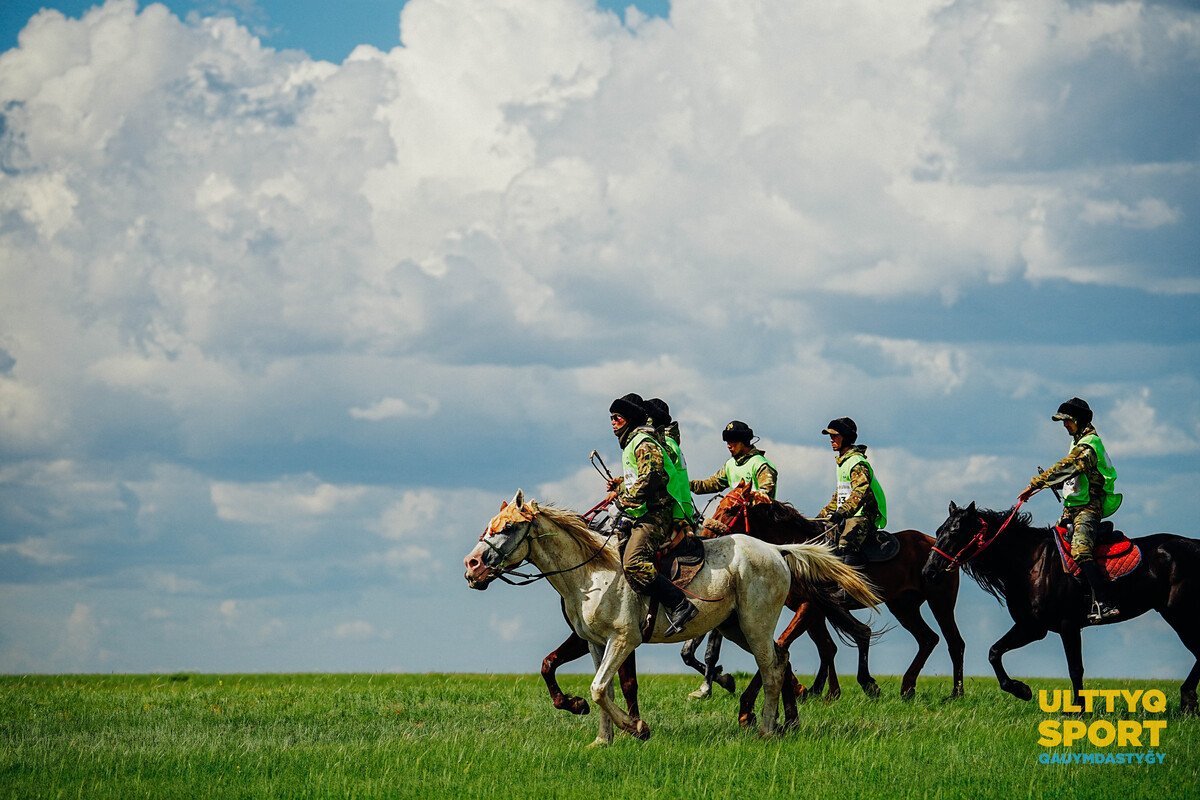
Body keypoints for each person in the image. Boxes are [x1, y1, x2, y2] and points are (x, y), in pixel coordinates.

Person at [1018, 397, 1122, 623]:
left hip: (1088, 509)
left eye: (1066, 421)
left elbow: (1069, 466)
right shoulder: (1077, 442)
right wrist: (1055, 484)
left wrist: (1036, 483)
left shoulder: (1089, 445)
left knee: (1080, 552)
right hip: (1071, 510)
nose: (1064, 425)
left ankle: (1106, 602)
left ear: (1078, 420)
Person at [608, 393, 699, 636]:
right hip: (642, 511)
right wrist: (620, 489)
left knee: (634, 562)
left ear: (628, 419)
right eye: (611, 418)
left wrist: (624, 500)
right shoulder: (633, 443)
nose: (612, 422)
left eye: (617, 417)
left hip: (656, 514)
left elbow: (652, 478)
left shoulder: (642, 442)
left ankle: (680, 604)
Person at [817, 417, 887, 568]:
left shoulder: (857, 462)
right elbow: (840, 495)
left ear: (846, 437)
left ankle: (849, 590)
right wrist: (820, 516)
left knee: (845, 545)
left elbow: (859, 493)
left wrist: (841, 512)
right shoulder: (842, 462)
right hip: (848, 514)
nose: (831, 440)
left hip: (862, 515)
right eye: (830, 436)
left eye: (835, 436)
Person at [689, 420, 778, 501]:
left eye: (732, 441)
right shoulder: (730, 464)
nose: (728, 445)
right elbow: (713, 483)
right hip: (737, 514)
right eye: (727, 441)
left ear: (744, 441)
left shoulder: (760, 464)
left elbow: (766, 493)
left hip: (759, 516)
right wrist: (688, 485)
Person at [643, 398, 698, 526]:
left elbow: (654, 475)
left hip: (676, 511)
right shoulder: (669, 442)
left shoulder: (665, 443)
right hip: (680, 507)